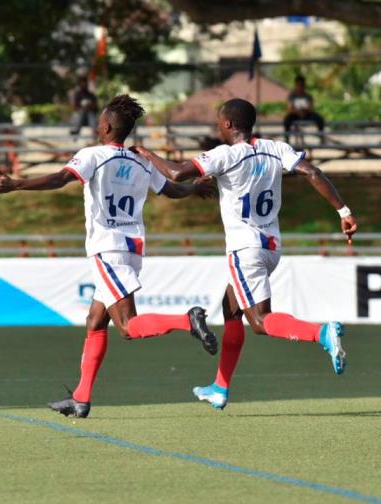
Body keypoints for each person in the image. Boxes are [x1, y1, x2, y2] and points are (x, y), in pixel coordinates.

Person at [0, 94, 218, 419]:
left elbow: (61, 178)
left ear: (106, 125)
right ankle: (81, 398)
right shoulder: (141, 160)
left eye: (99, 121)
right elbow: (170, 190)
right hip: (131, 248)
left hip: (107, 248)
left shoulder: (93, 155)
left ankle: (186, 321)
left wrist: (16, 185)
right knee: (96, 321)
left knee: (127, 327)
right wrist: (193, 189)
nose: (96, 126)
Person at [134, 98, 357, 410]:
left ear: (227, 125)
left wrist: (146, 153)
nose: (216, 127)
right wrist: (343, 211)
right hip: (270, 246)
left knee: (260, 321)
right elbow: (312, 172)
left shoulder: (226, 155)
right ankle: (220, 387)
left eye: (217, 122)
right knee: (231, 309)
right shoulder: (275, 148)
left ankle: (321, 333)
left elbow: (175, 173)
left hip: (245, 248)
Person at [283, 75, 325, 142]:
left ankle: (321, 137)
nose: (301, 87)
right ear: (296, 85)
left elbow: (310, 107)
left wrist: (304, 111)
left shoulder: (308, 96)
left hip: (307, 114)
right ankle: (286, 139)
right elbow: (289, 108)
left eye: (302, 85)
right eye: (299, 85)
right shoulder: (292, 96)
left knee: (319, 119)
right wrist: (297, 112)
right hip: (295, 115)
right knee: (287, 120)